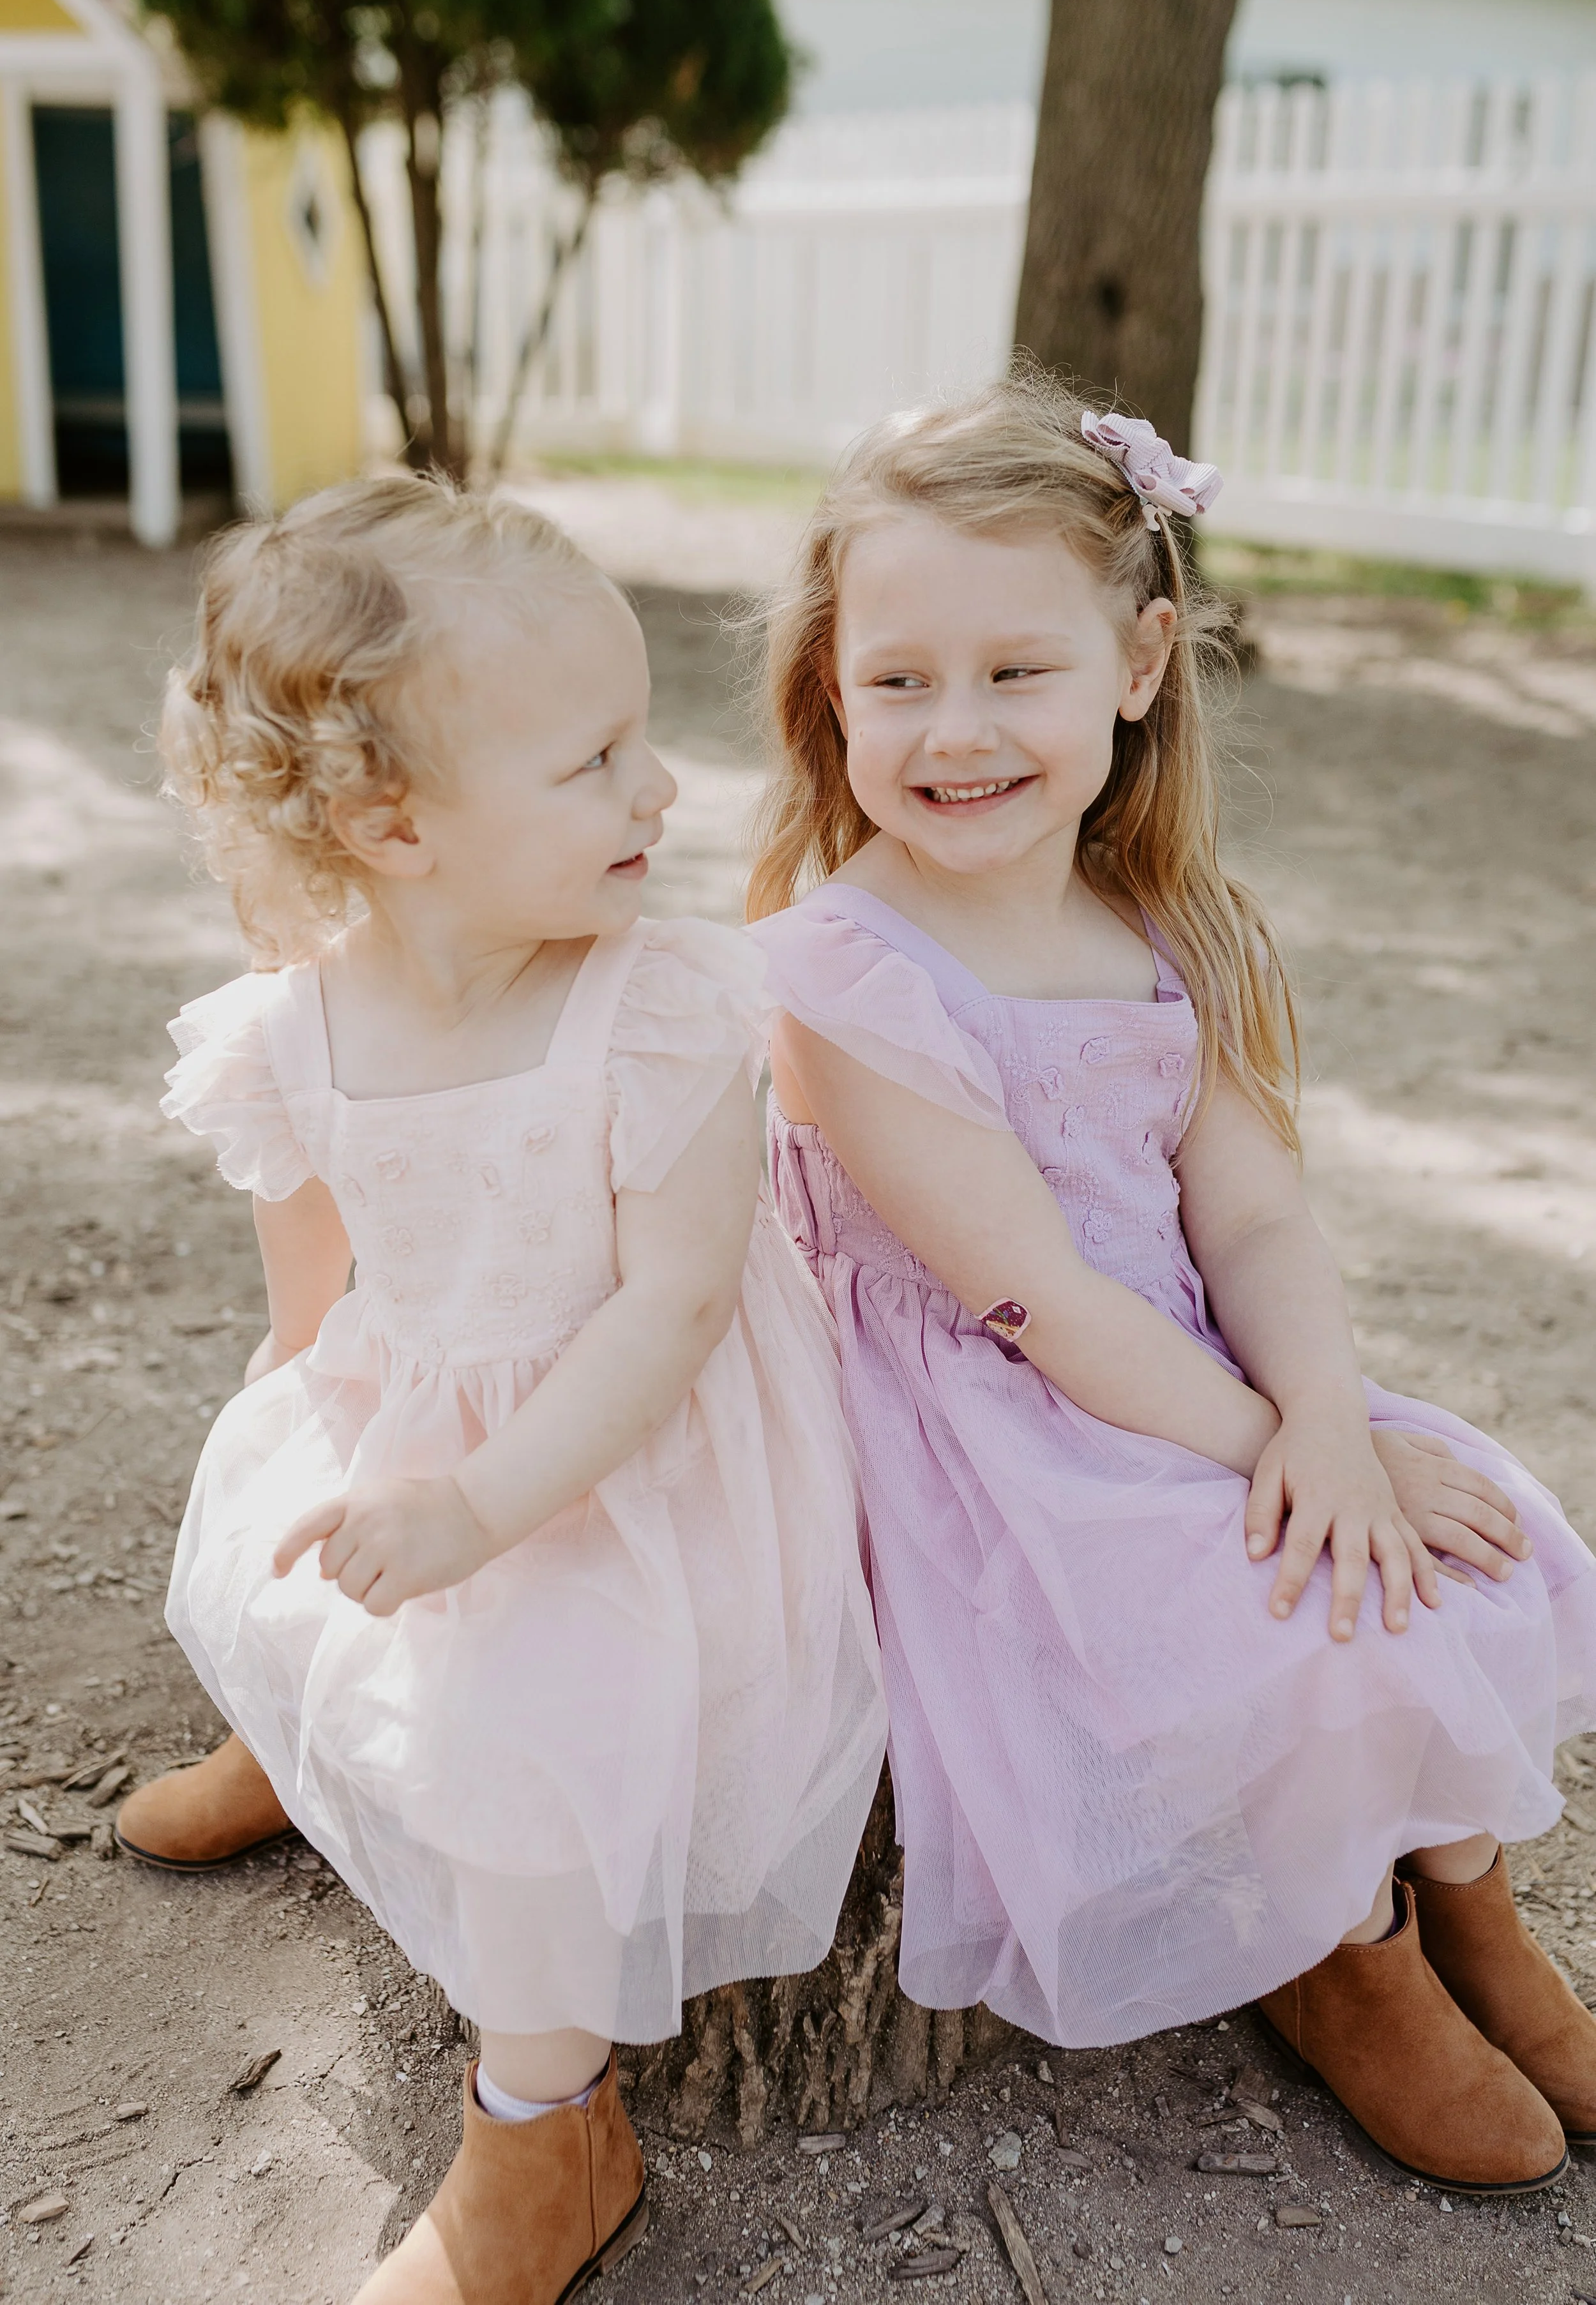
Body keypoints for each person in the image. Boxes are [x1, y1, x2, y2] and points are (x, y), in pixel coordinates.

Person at [751, 372, 1596, 2196]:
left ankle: (1477, 1917)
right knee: (1255, 1614)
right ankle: (1336, 1952)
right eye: (896, 678)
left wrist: (1324, 1423)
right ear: (831, 680)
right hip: (997, 1414)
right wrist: (1269, 1453)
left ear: (1137, 663)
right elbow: (1034, 1297)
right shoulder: (838, 973)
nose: (952, 729)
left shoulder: (1153, 920)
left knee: (1458, 1534)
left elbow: (1257, 1225)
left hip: (1192, 1370)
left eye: (1012, 672)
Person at [116, 477, 886, 2304]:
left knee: (539, 1748)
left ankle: (544, 2130)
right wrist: (331, 1453)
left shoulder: (659, 1011)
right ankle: (309, 1748)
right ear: (392, 821)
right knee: (268, 1550)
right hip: (423, 1420)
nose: (661, 787)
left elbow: (675, 1311)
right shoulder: (295, 1023)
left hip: (636, 1461)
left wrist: (474, 1506)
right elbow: (312, 1300)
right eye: (598, 757)